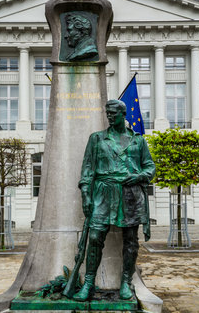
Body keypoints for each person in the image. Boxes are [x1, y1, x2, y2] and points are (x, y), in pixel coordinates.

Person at [73, 99, 155, 302]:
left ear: (123, 114)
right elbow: (87, 170)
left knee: (130, 241)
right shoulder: (97, 139)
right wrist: (86, 194)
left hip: (130, 195)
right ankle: (89, 283)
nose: (109, 116)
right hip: (103, 193)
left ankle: (126, 282)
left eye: (113, 113)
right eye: (107, 113)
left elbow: (150, 167)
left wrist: (139, 176)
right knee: (94, 238)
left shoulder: (138, 140)